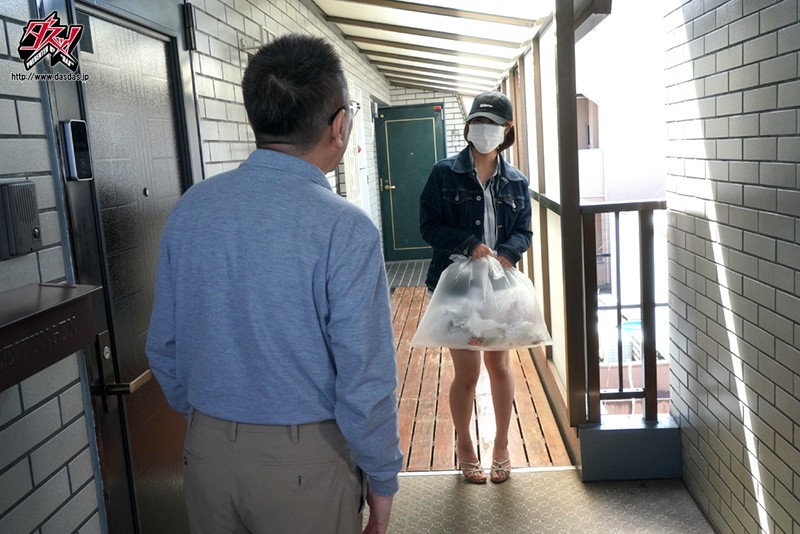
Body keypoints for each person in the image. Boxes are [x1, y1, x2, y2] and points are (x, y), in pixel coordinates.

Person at [146, 33, 402, 534]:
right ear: (339, 126)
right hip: (307, 463)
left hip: (207, 454)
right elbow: (365, 376)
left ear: (253, 121)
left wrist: (213, 422)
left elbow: (164, 346)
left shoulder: (192, 209)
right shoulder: (345, 227)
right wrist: (382, 476)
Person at [419, 91, 532, 484]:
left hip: (499, 286)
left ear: (507, 130)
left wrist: (509, 253)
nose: (484, 130)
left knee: (499, 366)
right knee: (466, 372)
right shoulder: (443, 173)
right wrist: (468, 243)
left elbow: (524, 231)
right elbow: (428, 227)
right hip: (456, 285)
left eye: (493, 123)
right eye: (478, 122)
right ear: (468, 127)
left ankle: (501, 445)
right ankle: (466, 445)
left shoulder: (516, 181)